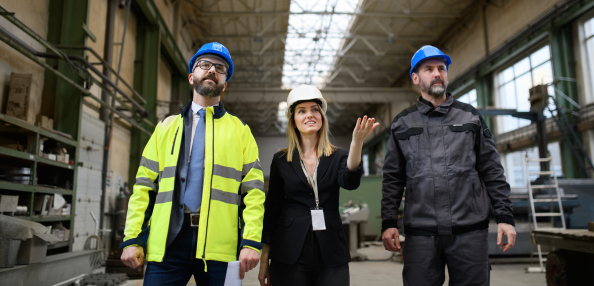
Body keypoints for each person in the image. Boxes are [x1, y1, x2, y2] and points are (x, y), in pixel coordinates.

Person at [120, 42, 265, 285]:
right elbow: (143, 187)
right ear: (191, 76)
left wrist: (250, 241)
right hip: (168, 241)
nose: (212, 70)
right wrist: (132, 238)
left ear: (225, 83)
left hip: (220, 246)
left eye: (220, 68)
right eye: (205, 64)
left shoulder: (240, 131)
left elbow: (254, 193)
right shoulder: (165, 128)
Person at [380, 45, 517, 286]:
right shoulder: (402, 123)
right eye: (429, 69)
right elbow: (393, 178)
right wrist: (389, 223)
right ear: (415, 78)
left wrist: (505, 217)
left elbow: (492, 170)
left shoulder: (470, 117)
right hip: (421, 232)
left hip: (469, 230)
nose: (437, 74)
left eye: (441, 69)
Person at [258, 84, 379, 286]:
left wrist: (356, 143)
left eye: (315, 109)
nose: (310, 115)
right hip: (289, 251)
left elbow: (349, 181)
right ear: (293, 121)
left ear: (322, 117)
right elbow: (272, 210)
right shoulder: (281, 159)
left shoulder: (338, 155)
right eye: (302, 111)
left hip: (331, 250)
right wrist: (264, 260)